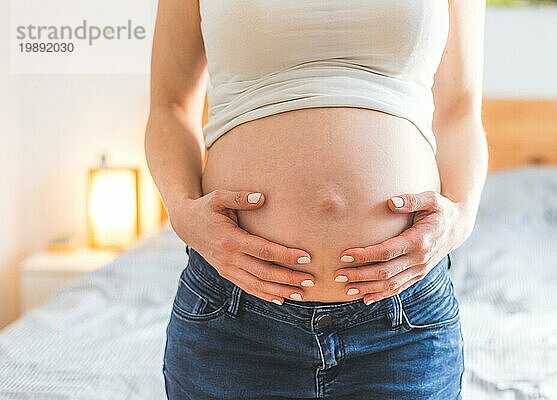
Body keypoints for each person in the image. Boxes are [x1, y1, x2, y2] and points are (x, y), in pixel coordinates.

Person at [145, 1, 488, 398]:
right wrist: (183, 212)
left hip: (402, 319)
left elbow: (461, 109)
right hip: (233, 315)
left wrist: (461, 218)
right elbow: (169, 106)